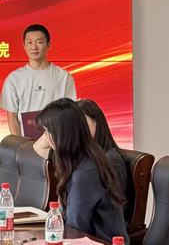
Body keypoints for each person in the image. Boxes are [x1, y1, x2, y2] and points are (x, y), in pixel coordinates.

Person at [36, 98, 129, 244]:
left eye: (48, 132)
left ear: (63, 134)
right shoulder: (82, 159)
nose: (46, 139)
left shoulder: (85, 173)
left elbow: (75, 231)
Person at [0, 24, 76, 136]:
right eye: (29, 42)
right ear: (24, 46)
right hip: (26, 142)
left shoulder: (63, 77)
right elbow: (12, 116)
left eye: (39, 42)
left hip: (57, 139)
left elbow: (70, 113)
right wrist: (19, 144)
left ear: (48, 45)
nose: (34, 47)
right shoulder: (14, 78)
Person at [77, 99, 130, 211]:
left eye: (83, 122)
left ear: (96, 122)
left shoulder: (111, 161)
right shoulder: (84, 156)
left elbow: (112, 208)